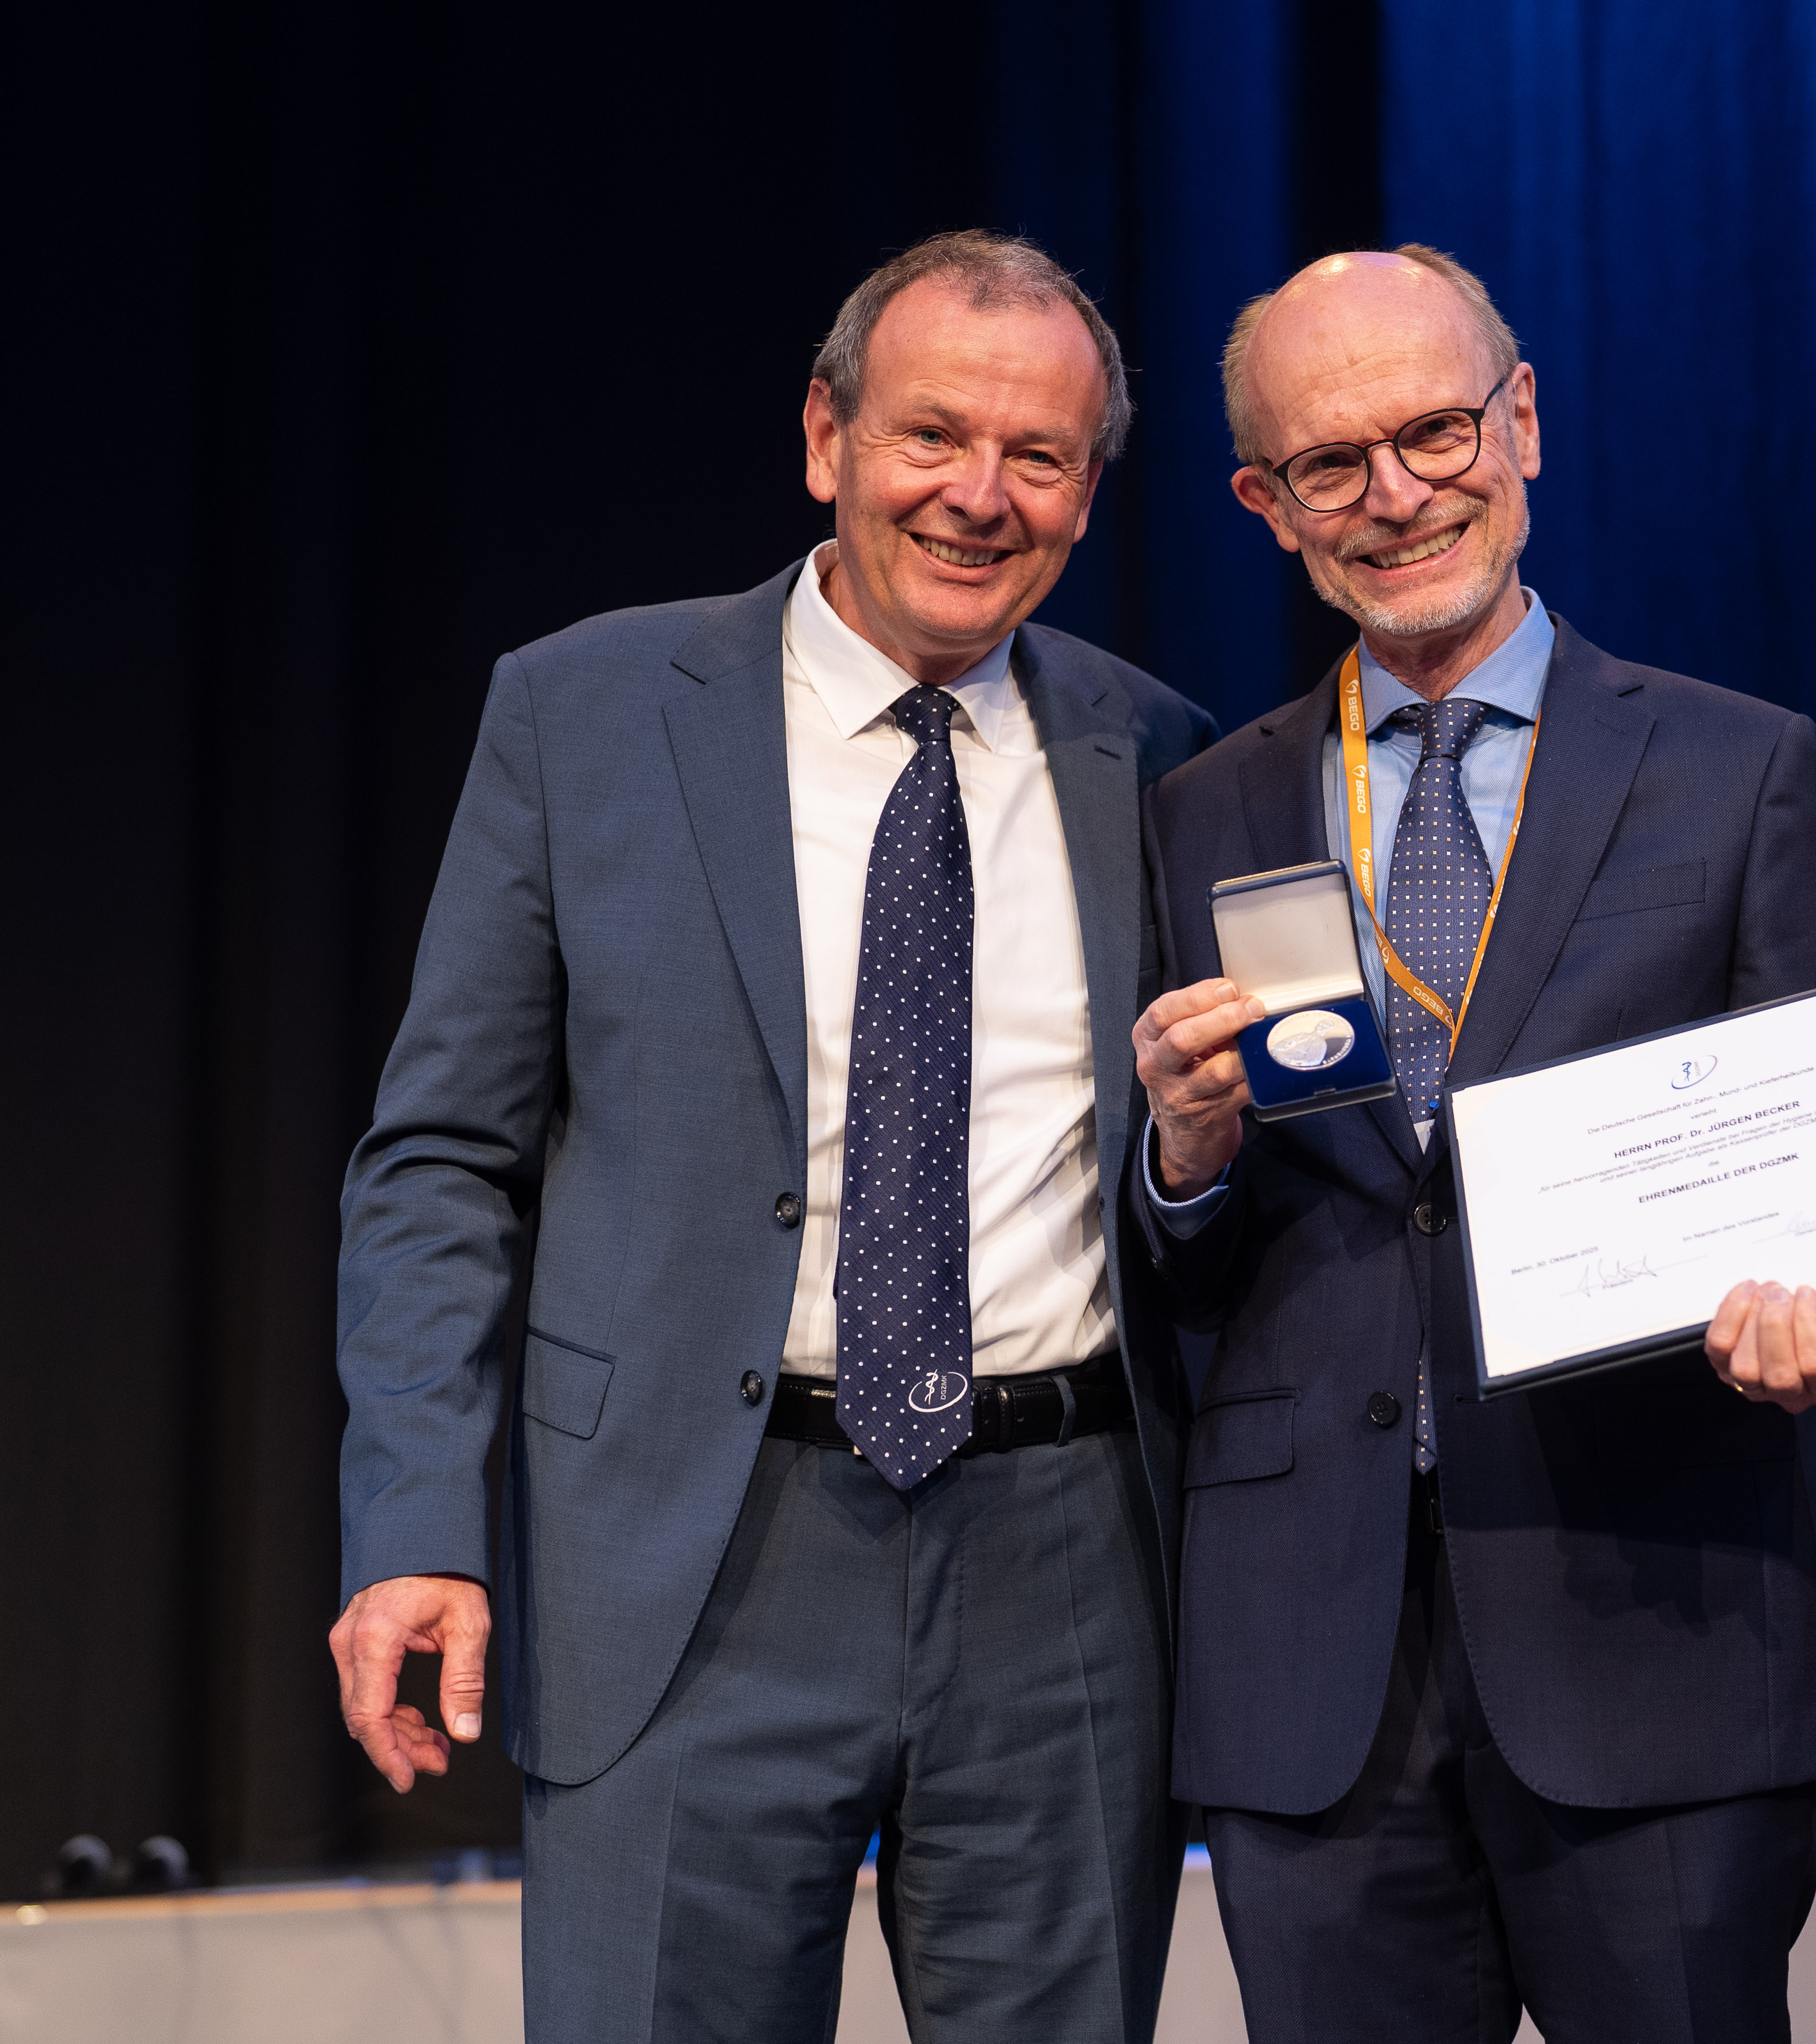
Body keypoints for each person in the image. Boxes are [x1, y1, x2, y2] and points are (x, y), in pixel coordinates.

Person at [329, 230, 1214, 2043]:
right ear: (826, 436)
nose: (980, 494)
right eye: (931, 434)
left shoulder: (1160, 754)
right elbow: (441, 1161)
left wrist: (1194, 1169)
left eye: (1039, 456)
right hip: (684, 1554)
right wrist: (415, 1518)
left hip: (1062, 1569)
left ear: (1088, 494)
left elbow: (1195, 1190)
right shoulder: (582, 713)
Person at [1128, 246, 1816, 2044]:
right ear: (1264, 503)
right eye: (1333, 462)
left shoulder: (1736, 765)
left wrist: (1812, 1294)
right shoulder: (1202, 806)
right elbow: (1185, 1264)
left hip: (1652, 1618)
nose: (1396, 493)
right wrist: (1184, 1159)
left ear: (1523, 422)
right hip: (1314, 1668)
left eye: (1436, 431)